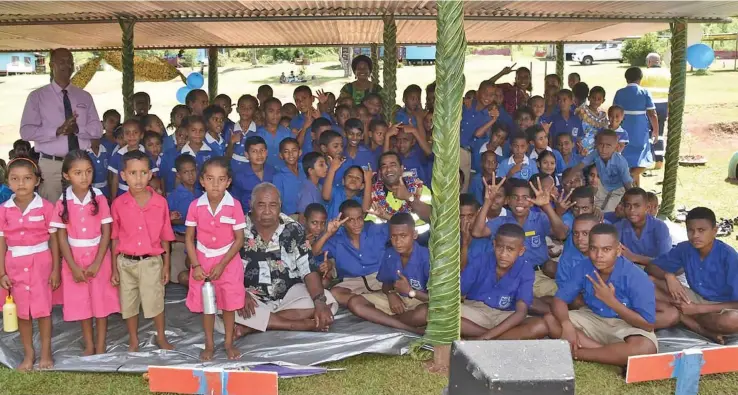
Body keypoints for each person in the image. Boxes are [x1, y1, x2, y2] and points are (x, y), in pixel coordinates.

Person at [222, 183, 337, 337]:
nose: (268, 211)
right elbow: (223, 267)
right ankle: (298, 324)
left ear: (280, 205)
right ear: (251, 204)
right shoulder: (237, 229)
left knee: (327, 301)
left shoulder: (294, 229)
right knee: (221, 302)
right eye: (261, 205)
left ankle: (254, 326)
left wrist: (319, 302)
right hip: (250, 298)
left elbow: (307, 269)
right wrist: (240, 292)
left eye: (273, 205)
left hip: (288, 296)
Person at [545, 223, 658, 366]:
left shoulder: (637, 277)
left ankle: (578, 354)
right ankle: (611, 355)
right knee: (551, 320)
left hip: (625, 324)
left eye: (606, 249)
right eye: (594, 249)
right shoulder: (584, 266)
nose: (599, 256)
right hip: (594, 317)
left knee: (645, 347)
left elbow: (648, 325)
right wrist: (566, 324)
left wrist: (611, 302)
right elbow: (559, 300)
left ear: (618, 250)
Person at [50, 150, 118, 356]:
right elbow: (61, 237)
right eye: (78, 172)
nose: (84, 177)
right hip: (74, 259)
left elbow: (107, 232)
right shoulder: (62, 202)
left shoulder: (99, 198)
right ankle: (89, 344)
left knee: (101, 301)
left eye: (88, 171)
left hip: (99, 257)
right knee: (82, 303)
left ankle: (101, 343)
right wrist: (71, 265)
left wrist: (98, 262)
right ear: (66, 175)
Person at [472, 178, 569, 311]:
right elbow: (477, 232)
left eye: (525, 198)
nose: (520, 201)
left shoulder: (540, 218)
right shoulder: (501, 222)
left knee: (564, 298)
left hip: (539, 274)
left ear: (531, 202)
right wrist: (488, 202)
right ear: (508, 201)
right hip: (513, 277)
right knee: (533, 305)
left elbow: (562, 234)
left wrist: (546, 206)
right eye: (515, 197)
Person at [111, 150, 174, 352]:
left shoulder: (160, 203)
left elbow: (166, 236)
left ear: (150, 174)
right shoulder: (118, 204)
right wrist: (114, 268)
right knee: (128, 303)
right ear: (123, 175)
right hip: (126, 262)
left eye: (143, 173)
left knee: (155, 300)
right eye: (132, 173)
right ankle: (133, 340)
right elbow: (115, 237)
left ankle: (161, 336)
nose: (138, 178)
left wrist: (167, 265)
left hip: (151, 261)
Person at [20, 48, 103, 202]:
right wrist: (57, 131)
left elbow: (97, 130)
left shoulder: (84, 96)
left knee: (81, 212)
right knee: (52, 215)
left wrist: (77, 129)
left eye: (70, 62)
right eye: (62, 62)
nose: (67, 66)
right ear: (52, 65)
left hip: (80, 165)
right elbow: (26, 132)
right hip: (51, 167)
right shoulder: (37, 97)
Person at [0, 158, 60, 370]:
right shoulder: (4, 210)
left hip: (41, 264)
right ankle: (29, 354)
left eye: (27, 178)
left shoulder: (46, 207)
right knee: (22, 312)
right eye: (15, 179)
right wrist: (1, 273)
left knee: (43, 311)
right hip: (14, 266)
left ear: (37, 181)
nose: (21, 183)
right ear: (8, 182)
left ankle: (45, 353)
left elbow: (54, 239)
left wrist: (55, 270)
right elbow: (2, 242)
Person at [184, 157, 246, 361]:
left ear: (228, 182)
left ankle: (228, 343)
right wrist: (196, 265)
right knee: (207, 306)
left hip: (228, 262)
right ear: (202, 180)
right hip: (202, 261)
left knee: (228, 305)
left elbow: (239, 240)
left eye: (221, 179)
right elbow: (189, 238)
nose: (215, 184)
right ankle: (209, 344)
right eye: (210, 179)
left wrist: (222, 264)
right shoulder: (195, 206)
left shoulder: (234, 205)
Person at [647, 207, 738, 343]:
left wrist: (698, 309)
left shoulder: (729, 257)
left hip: (721, 306)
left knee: (732, 320)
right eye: (691, 230)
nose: (695, 235)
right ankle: (697, 326)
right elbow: (651, 267)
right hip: (692, 298)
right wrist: (669, 275)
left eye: (701, 230)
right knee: (649, 282)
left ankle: (685, 316)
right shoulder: (685, 248)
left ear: (715, 231)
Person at [461, 223, 549, 340]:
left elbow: (521, 312)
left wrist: (485, 337)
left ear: (521, 250)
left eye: (510, 249)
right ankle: (497, 338)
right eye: (499, 247)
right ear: (494, 244)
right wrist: (487, 335)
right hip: (475, 311)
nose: (503, 254)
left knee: (540, 326)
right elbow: (460, 290)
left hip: (506, 316)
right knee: (440, 314)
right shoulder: (481, 260)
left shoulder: (525, 269)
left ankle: (479, 337)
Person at [347, 212, 430, 334]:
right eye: (394, 236)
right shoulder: (390, 253)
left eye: (403, 236)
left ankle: (387, 321)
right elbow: (386, 283)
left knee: (425, 313)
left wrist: (411, 292)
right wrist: (391, 294)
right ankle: (410, 328)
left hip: (420, 301)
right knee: (354, 303)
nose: (397, 241)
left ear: (415, 235)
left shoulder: (427, 258)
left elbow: (439, 299)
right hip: (398, 299)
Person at [311, 199, 389, 306]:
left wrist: (386, 216)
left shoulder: (374, 229)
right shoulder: (336, 239)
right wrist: (328, 233)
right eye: (351, 220)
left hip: (380, 278)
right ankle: (373, 302)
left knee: (395, 283)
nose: (357, 223)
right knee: (335, 293)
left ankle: (364, 304)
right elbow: (313, 253)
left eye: (359, 218)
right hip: (354, 281)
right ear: (342, 222)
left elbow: (404, 226)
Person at [613, 67, 659, 186]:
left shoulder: (620, 92)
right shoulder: (644, 92)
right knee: (643, 160)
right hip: (639, 128)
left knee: (627, 159)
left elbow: (614, 111)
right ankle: (630, 179)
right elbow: (652, 113)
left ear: (626, 78)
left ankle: (634, 188)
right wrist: (656, 131)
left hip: (623, 127)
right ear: (640, 78)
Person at [571, 130, 634, 212]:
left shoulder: (620, 164)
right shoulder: (585, 193)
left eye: (599, 176)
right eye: (592, 175)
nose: (594, 179)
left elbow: (627, 185)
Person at [370, 152, 432, 230]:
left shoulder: (419, 188)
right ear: (380, 173)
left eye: (393, 165)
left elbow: (432, 218)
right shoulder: (373, 195)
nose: (388, 169)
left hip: (423, 240)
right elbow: (372, 231)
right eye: (384, 166)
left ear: (401, 169)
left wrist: (409, 197)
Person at [616, 188, 672, 266]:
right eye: (627, 205)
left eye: (637, 205)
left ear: (647, 208)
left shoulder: (660, 227)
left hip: (657, 272)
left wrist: (634, 257)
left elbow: (666, 262)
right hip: (630, 272)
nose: (632, 210)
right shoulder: (619, 227)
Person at [167, 155, 201, 285]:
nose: (190, 175)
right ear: (179, 175)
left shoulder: (201, 193)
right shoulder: (174, 196)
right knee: (176, 278)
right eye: (186, 172)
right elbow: (166, 221)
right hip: (180, 240)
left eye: (193, 171)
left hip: (199, 241)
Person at [231, 136, 275, 212]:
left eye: (262, 150)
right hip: (248, 216)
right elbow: (235, 202)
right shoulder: (239, 176)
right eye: (254, 151)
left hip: (270, 214)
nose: (259, 154)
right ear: (247, 154)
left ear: (266, 153)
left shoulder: (273, 172)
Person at [641, 53, 670, 169]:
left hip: (648, 107)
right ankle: (659, 160)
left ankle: (648, 159)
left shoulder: (644, 74)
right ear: (659, 62)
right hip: (663, 105)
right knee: (660, 132)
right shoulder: (667, 73)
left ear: (648, 62)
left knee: (648, 132)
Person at [258, 97, 294, 168]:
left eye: (278, 111)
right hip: (265, 174)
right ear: (264, 114)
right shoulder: (258, 134)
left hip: (284, 173)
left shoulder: (287, 133)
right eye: (271, 111)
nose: (275, 114)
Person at [273, 138, 305, 218]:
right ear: (281, 155)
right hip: (290, 217)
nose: (291, 154)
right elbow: (277, 202)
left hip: (309, 214)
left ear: (300, 152)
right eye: (286, 151)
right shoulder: (278, 177)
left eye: (294, 150)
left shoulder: (305, 169)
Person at [576, 86, 609, 154]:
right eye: (593, 98)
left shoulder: (602, 116)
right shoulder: (582, 111)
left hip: (597, 149)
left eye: (599, 99)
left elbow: (605, 132)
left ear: (603, 100)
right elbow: (575, 127)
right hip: (581, 148)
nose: (596, 101)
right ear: (588, 98)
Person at [297, 152, 328, 219]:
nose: (326, 167)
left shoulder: (320, 186)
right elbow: (303, 218)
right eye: (321, 165)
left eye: (326, 164)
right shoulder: (306, 191)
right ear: (310, 170)